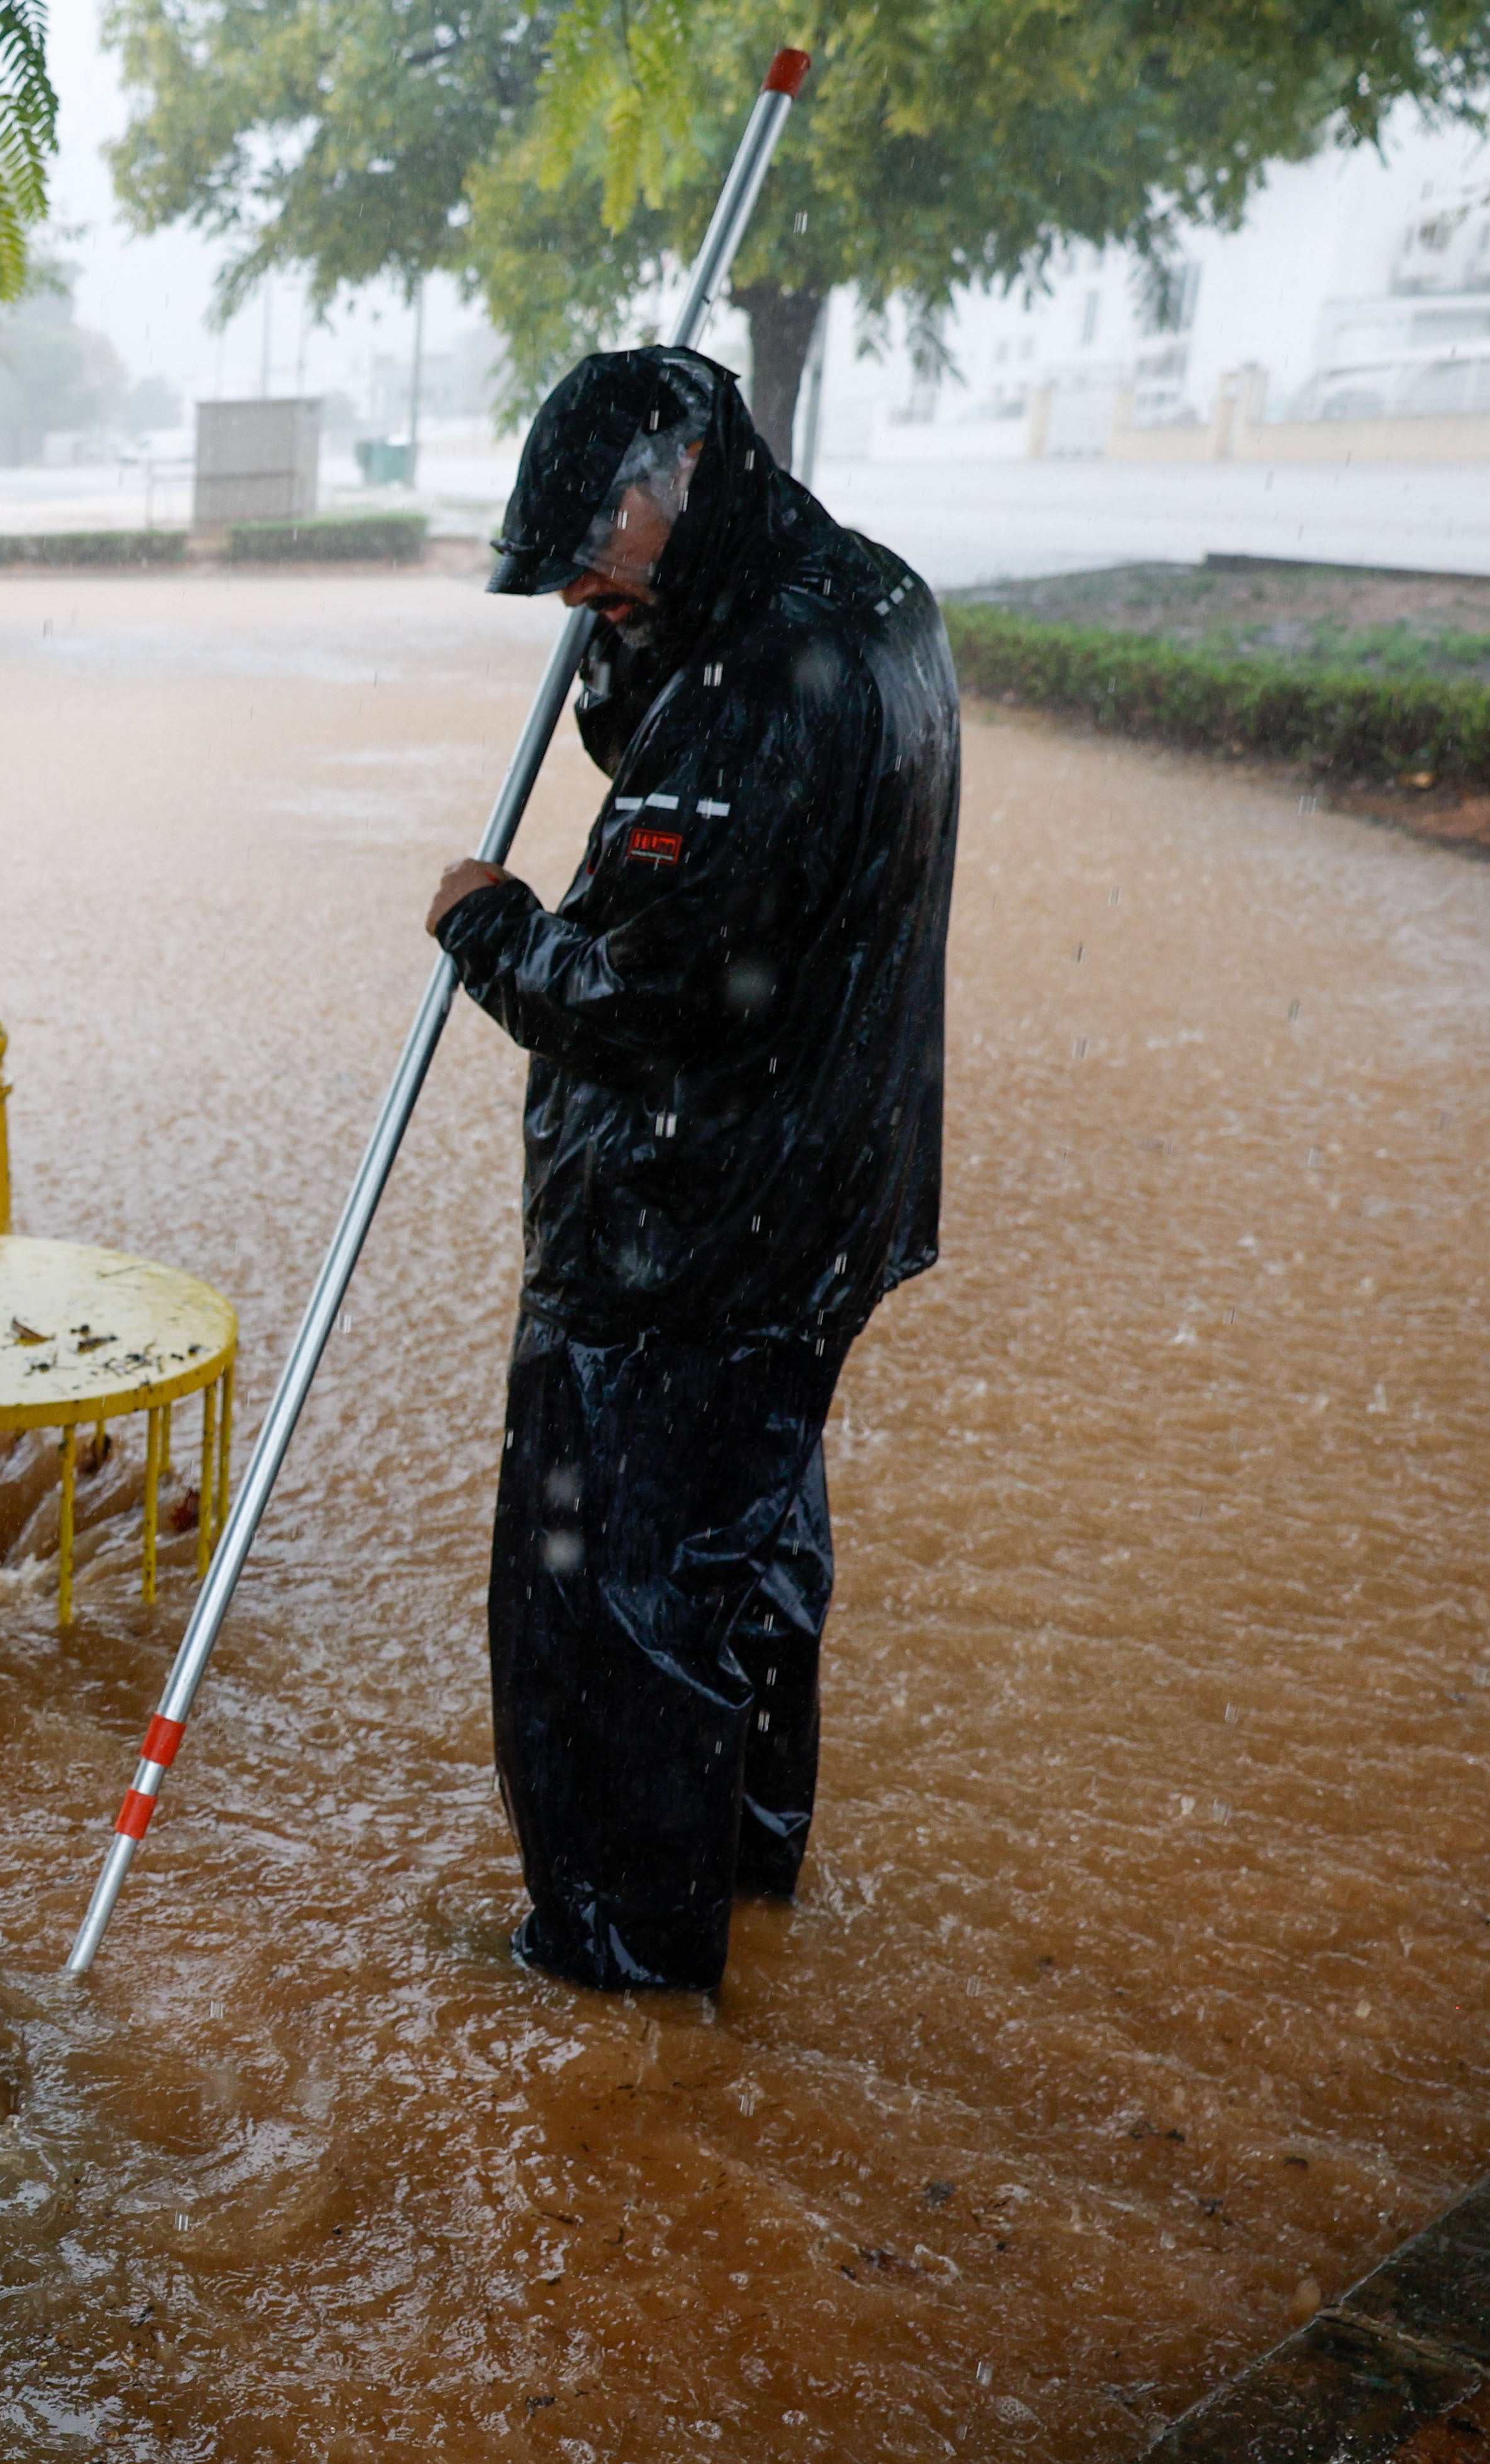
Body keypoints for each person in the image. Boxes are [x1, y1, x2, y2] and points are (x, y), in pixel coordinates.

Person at [424, 345, 959, 1995]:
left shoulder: (755, 691)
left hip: (681, 1235)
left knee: (609, 1613)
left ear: (672, 485)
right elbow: (703, 809)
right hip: (823, 1210)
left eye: (596, 551)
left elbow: (641, 995)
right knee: (747, 1550)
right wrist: (626, 646)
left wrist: (490, 930)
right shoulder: (868, 603)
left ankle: (622, 1962)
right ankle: (743, 1868)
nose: (582, 589)